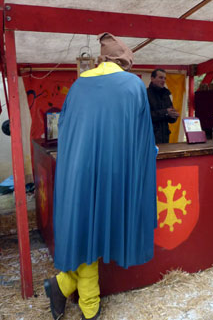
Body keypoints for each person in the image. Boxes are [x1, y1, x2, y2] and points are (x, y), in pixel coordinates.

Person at [44, 32, 157, 320]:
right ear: (123, 62)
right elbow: (144, 138)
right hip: (114, 174)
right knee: (96, 233)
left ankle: (66, 288)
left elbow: (65, 133)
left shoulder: (79, 84)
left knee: (86, 233)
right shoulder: (133, 85)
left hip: (78, 172)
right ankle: (88, 306)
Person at [147, 68, 180, 144]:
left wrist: (173, 116)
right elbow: (145, 116)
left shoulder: (166, 95)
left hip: (165, 137)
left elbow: (170, 120)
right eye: (161, 77)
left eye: (165, 78)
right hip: (150, 137)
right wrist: (165, 112)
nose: (163, 80)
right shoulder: (145, 94)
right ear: (152, 78)